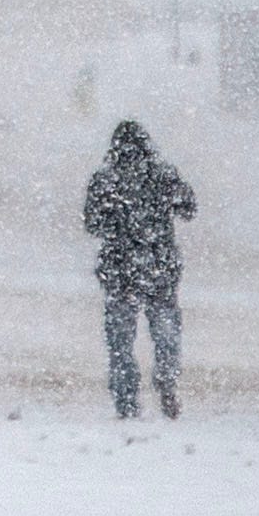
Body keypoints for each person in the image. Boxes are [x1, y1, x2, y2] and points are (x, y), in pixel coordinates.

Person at [82, 119, 196, 420]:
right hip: (159, 269)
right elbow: (189, 208)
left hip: (121, 273)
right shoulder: (162, 175)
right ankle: (167, 382)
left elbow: (92, 224)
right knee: (166, 332)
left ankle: (126, 400)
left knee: (121, 342)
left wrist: (118, 225)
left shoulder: (106, 181)